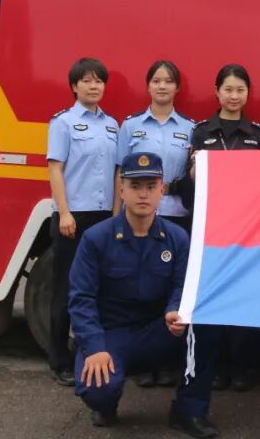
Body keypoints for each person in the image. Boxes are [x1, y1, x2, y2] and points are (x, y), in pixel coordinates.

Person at [69, 152, 218, 438]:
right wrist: (94, 347)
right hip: (110, 334)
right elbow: (81, 298)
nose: (143, 194)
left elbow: (182, 285)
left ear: (161, 190)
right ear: (121, 190)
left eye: (151, 186)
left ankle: (189, 411)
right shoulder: (96, 238)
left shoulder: (177, 238)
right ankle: (106, 403)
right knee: (98, 389)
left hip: (157, 331)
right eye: (135, 186)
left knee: (206, 325)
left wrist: (175, 309)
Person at [117, 59, 195, 388]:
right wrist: (116, 218)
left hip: (175, 216)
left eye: (168, 81)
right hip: (137, 217)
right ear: (148, 86)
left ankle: (166, 362)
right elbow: (120, 174)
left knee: (171, 289)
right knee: (139, 289)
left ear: (177, 88)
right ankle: (142, 363)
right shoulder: (131, 126)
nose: (162, 86)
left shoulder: (190, 128)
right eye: (156, 81)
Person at [190, 64, 260, 392]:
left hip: (246, 228)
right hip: (211, 227)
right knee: (213, 297)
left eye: (240, 90)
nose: (234, 96)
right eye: (228, 89)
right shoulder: (201, 131)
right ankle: (216, 367)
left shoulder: (258, 134)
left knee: (243, 297)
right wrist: (195, 171)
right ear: (217, 92)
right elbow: (191, 179)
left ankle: (241, 367)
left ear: (248, 93)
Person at [46, 57, 119, 386]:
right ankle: (58, 360)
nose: (93, 86)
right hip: (73, 218)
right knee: (66, 290)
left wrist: (116, 215)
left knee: (98, 290)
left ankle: (87, 354)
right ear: (74, 86)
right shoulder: (63, 122)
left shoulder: (112, 125)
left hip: (103, 217)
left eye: (99, 81)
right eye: (87, 81)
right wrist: (64, 212)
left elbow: (117, 173)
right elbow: (55, 169)